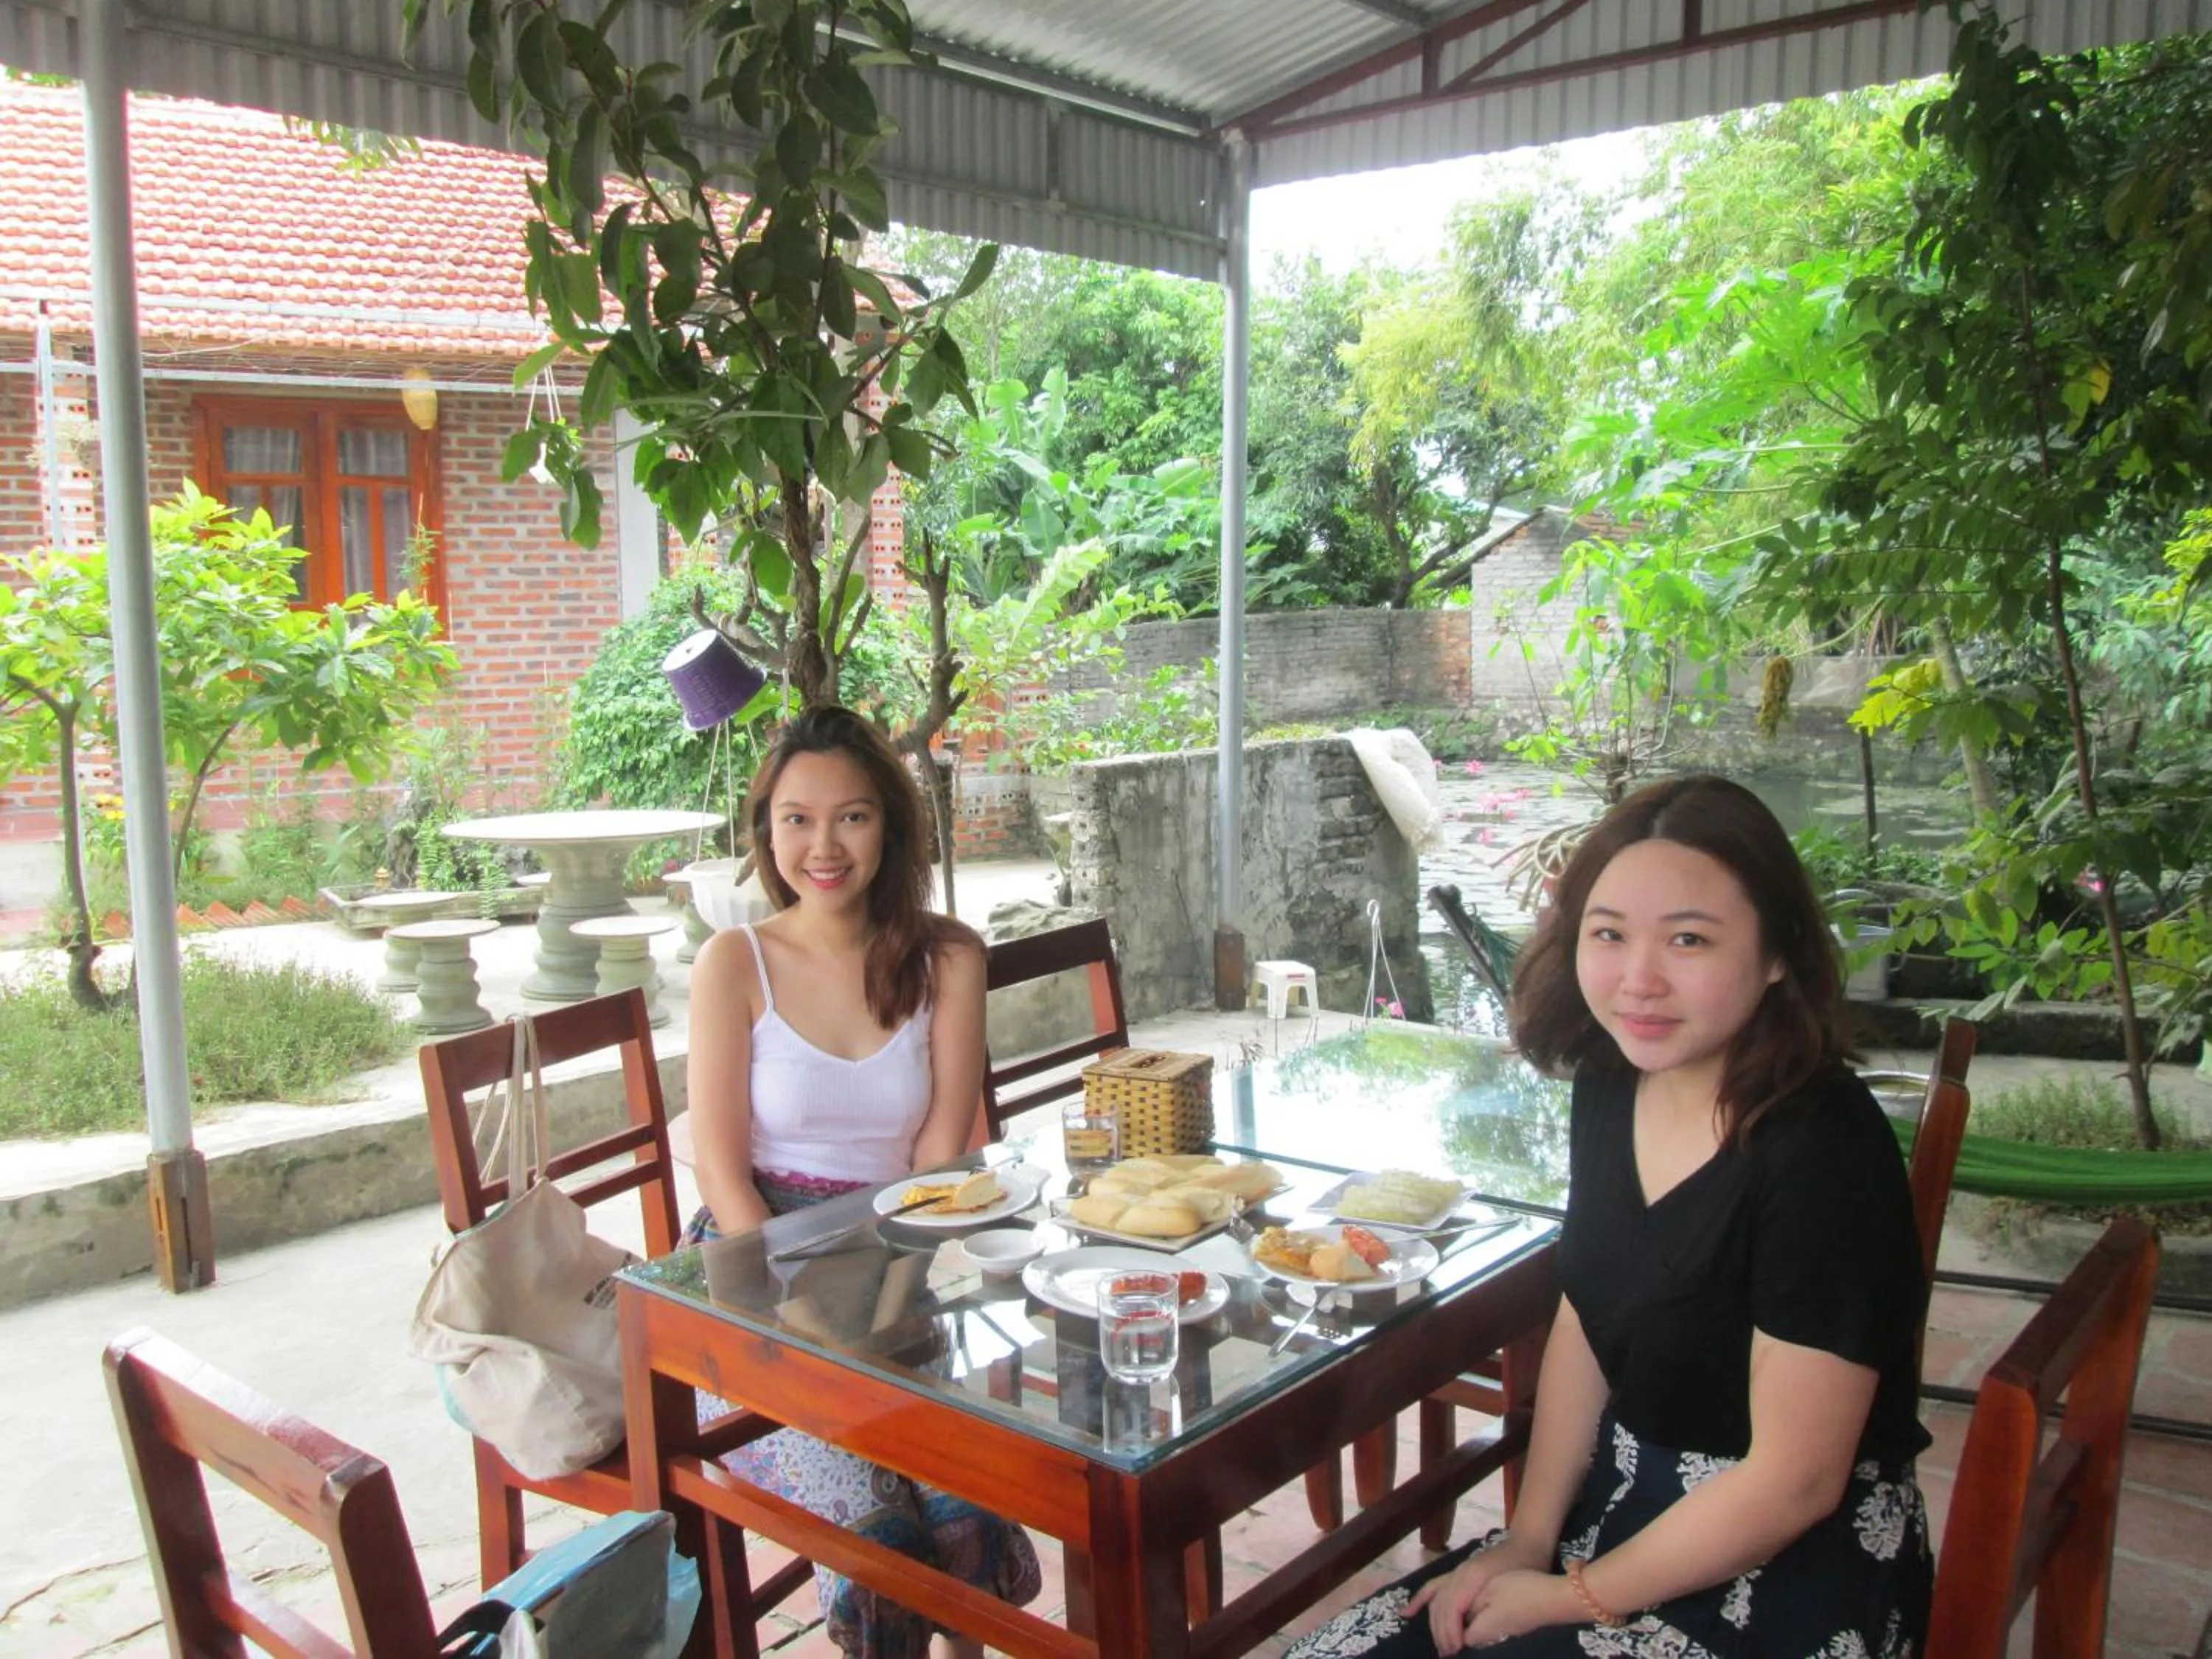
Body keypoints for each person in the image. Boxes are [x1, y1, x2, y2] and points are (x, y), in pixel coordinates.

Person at [1289, 774, 1933, 1658]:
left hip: (1789, 1565)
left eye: (1690, 940)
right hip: (1620, 1515)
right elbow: (1590, 1319)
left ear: (1780, 952)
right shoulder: (1612, 1080)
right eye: (1608, 934)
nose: (1639, 981)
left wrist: (1569, 1599)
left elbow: (1797, 1483)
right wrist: (1526, 1538)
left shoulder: (1823, 1149)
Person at [685, 704, 1040, 1659]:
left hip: (908, 1252)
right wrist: (806, 1318)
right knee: (882, 1528)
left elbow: (941, 1153)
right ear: (767, 830)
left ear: (890, 823)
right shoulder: (734, 961)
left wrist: (889, 1310)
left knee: (964, 1498)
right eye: (795, 818)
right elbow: (720, 1166)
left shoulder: (949, 955)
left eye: (851, 816)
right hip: (757, 1273)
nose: (822, 844)